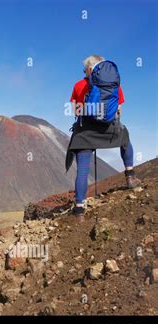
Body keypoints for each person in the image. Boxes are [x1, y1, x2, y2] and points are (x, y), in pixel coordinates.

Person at [66, 55, 141, 222]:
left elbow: (76, 111)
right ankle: (130, 176)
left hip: (86, 132)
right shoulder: (114, 84)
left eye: (84, 68)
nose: (84, 71)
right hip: (109, 128)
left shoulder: (78, 85)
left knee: (83, 170)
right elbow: (119, 108)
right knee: (125, 138)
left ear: (90, 68)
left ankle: (79, 210)